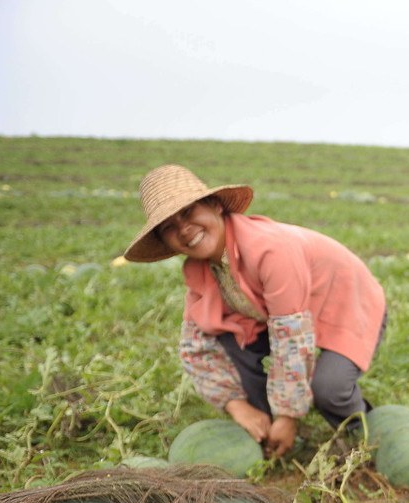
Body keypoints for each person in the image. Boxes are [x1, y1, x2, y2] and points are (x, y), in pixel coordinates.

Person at [123, 164, 387, 458]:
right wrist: (237, 406)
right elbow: (194, 347)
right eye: (169, 227)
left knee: (329, 387)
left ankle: (365, 439)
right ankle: (265, 427)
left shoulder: (270, 249)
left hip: (347, 304)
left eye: (188, 212)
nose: (183, 229)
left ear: (214, 206)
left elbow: (292, 340)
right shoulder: (200, 271)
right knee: (226, 341)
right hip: (285, 316)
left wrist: (289, 415)